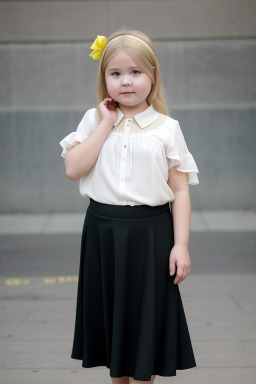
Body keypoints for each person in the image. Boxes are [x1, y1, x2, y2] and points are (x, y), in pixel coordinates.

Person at [59, 29, 199, 384]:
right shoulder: (93, 121)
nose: (125, 82)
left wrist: (180, 245)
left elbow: (180, 190)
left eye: (136, 72)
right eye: (115, 73)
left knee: (144, 336)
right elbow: (74, 169)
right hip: (102, 235)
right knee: (113, 337)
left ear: (152, 75)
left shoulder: (167, 129)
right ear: (103, 77)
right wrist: (107, 123)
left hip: (150, 237)